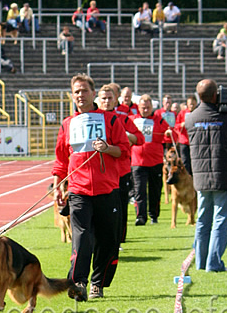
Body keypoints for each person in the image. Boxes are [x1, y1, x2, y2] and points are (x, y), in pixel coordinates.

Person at [52, 74, 129, 300]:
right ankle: (78, 283)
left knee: (107, 240)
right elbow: (60, 159)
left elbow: (123, 150)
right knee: (82, 238)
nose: (80, 95)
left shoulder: (111, 120)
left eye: (84, 90)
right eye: (76, 91)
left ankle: (98, 284)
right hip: (79, 190)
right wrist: (58, 185)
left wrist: (106, 148)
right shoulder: (67, 124)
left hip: (108, 190)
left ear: (93, 94)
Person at [186, 79, 227, 272]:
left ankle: (201, 262)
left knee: (203, 220)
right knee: (220, 220)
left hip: (201, 177)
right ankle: (214, 263)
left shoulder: (190, 118)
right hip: (224, 175)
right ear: (216, 95)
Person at [98, 85, 144, 246]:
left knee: (120, 209)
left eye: (110, 98)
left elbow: (140, 139)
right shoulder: (93, 118)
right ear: (98, 100)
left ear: (115, 99)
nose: (106, 101)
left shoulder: (123, 119)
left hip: (121, 170)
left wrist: (126, 136)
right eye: (103, 98)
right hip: (100, 172)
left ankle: (118, 241)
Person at [130, 94, 172, 225]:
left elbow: (170, 135)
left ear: (151, 107)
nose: (145, 109)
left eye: (148, 107)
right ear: (139, 107)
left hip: (155, 161)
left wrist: (168, 134)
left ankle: (153, 215)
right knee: (139, 190)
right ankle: (141, 217)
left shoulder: (159, 120)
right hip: (137, 162)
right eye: (143, 107)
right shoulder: (131, 119)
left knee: (155, 190)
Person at [175, 95, 197, 175]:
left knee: (194, 161)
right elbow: (176, 126)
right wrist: (181, 125)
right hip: (184, 141)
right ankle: (187, 177)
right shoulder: (182, 113)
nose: (191, 106)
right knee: (185, 161)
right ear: (187, 104)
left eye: (193, 104)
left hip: (194, 141)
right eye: (190, 104)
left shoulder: (197, 113)